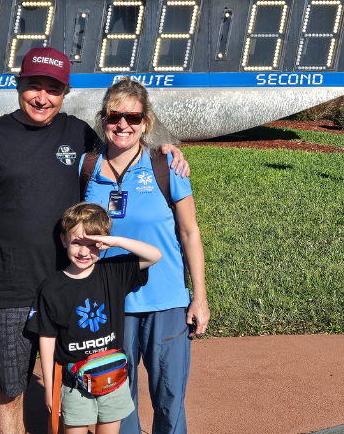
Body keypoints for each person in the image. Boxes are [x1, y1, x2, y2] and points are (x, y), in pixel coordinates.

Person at [0, 48, 187, 434]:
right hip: (10, 287)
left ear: (64, 93)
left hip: (72, 285)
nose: (42, 98)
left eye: (53, 89)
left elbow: (124, 140)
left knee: (79, 386)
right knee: (10, 389)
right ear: (18, 85)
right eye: (34, 86)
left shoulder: (78, 133)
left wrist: (165, 148)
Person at [80, 78, 210, 434]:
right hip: (110, 303)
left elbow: (189, 232)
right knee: (118, 404)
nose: (123, 125)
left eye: (133, 118)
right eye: (114, 115)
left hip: (165, 302)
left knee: (169, 399)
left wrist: (199, 296)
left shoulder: (166, 166)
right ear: (103, 118)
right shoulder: (86, 168)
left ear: (145, 123)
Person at [26, 203, 161, 434]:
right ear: (64, 240)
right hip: (73, 383)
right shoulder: (52, 288)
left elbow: (154, 255)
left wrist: (115, 241)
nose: (84, 252)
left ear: (103, 243)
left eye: (92, 244)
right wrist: (49, 387)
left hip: (112, 379)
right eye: (77, 242)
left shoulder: (114, 273)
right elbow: (47, 339)